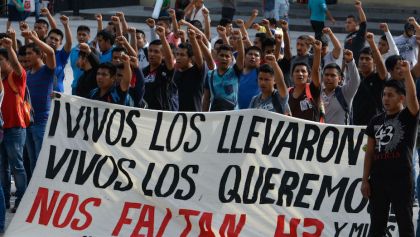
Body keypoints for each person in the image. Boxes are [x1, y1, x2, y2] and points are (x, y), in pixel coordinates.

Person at [361, 60, 419, 237]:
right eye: (384, 95)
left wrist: (408, 73)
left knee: (405, 224)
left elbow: (413, 97)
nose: (386, 98)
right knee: (377, 226)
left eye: (391, 95)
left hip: (402, 179)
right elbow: (370, 153)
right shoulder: (375, 121)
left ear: (402, 98)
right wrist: (365, 180)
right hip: (378, 179)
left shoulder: (408, 116)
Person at [22, 30, 56, 178]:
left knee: (41, 160)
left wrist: (33, 38)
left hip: (42, 122)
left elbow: (51, 53)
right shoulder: (27, 74)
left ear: (39, 54)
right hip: (28, 122)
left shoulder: (47, 70)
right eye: (26, 53)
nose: (27, 56)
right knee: (31, 160)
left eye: (30, 53)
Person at [0, 37, 27, 214]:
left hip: (15, 128)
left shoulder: (16, 76)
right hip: (2, 130)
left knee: (17, 165)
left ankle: (21, 199)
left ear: (8, 61)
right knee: (3, 166)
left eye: (0, 61)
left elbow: (18, 67)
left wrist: (10, 49)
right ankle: (4, 202)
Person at [203, 30, 244, 111]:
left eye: (227, 56)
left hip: (232, 115)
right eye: (221, 55)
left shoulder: (235, 71)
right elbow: (206, 99)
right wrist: (204, 116)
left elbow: (241, 56)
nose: (224, 58)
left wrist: (239, 39)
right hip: (215, 114)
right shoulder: (210, 75)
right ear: (217, 56)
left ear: (231, 58)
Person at [352, 33, 388, 125]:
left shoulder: (378, 78)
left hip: (375, 126)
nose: (364, 61)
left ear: (374, 62)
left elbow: (382, 69)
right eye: (361, 58)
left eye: (368, 59)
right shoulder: (356, 78)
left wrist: (372, 42)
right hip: (356, 126)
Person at [287, 39, 322, 122]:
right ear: (291, 76)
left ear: (309, 76)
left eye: (303, 71)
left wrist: (317, 52)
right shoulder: (287, 93)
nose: (300, 73)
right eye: (297, 71)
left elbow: (315, 71)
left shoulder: (312, 90)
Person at [322, 49, 360, 125]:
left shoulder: (344, 93)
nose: (329, 78)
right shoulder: (317, 94)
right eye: (326, 75)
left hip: (341, 136)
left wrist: (350, 61)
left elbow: (355, 81)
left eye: (333, 75)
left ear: (339, 79)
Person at [142, 26, 175, 110]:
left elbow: (170, 59)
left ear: (163, 55)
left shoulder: (165, 69)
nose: (152, 54)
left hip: (162, 113)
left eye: (156, 52)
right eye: (150, 51)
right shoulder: (143, 71)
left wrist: (163, 37)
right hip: (144, 114)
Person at [173, 29, 205, 111]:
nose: (178, 58)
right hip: (177, 117)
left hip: (194, 118)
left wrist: (193, 39)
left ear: (190, 59)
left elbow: (199, 58)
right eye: (177, 54)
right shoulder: (175, 74)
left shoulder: (197, 71)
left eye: (182, 55)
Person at [69, 25, 91, 94]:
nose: (81, 37)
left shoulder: (91, 50)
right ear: (76, 36)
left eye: (84, 35)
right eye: (79, 34)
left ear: (89, 37)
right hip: (75, 85)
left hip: (88, 86)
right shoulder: (73, 50)